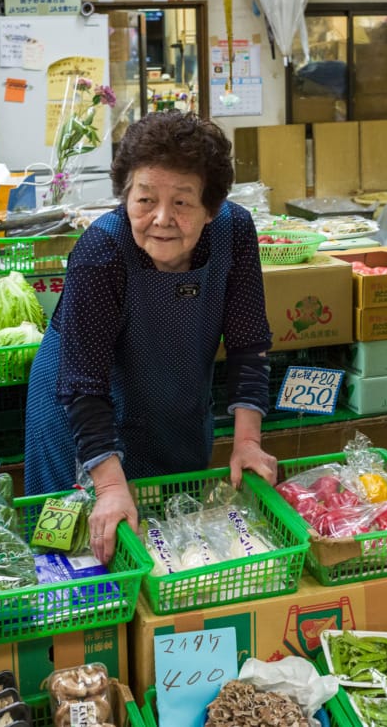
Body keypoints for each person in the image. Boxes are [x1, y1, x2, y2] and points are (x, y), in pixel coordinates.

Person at [25, 111, 277, 563]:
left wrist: (247, 444)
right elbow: (84, 382)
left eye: (182, 203)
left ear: (211, 208)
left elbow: (248, 341)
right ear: (126, 194)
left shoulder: (234, 232)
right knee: (77, 555)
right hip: (80, 404)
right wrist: (108, 484)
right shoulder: (101, 251)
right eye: (144, 200)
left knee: (174, 542)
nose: (161, 219)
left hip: (174, 398)